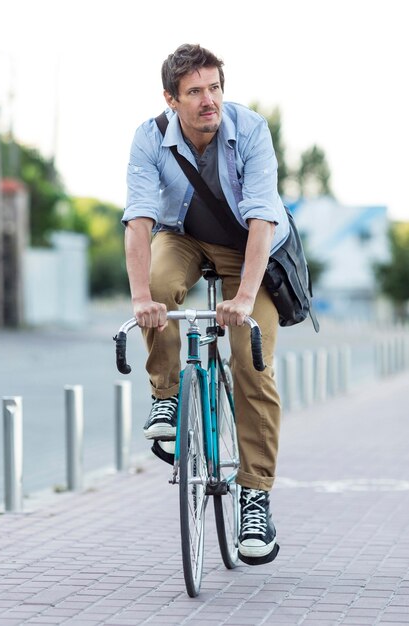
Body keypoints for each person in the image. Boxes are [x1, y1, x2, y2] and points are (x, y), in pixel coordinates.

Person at [122, 43, 289, 564]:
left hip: (249, 246)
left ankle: (255, 498)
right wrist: (141, 298)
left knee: (251, 359)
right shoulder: (150, 139)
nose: (208, 100)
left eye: (214, 87)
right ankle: (168, 395)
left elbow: (263, 218)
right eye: (194, 92)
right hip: (185, 236)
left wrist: (243, 298)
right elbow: (139, 221)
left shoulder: (251, 129)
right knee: (160, 286)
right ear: (171, 99)